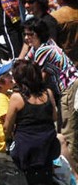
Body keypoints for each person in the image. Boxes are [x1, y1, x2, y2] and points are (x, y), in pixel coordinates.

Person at [20, 17, 78, 156]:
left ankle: (72, 172)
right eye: (25, 34)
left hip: (69, 87)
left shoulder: (45, 50)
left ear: (39, 34)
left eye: (30, 34)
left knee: (67, 131)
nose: (27, 38)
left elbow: (35, 76)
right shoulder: (38, 47)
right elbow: (23, 64)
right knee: (62, 127)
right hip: (66, 87)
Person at [5, 59, 61, 173]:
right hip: (48, 148)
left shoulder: (16, 98)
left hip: (25, 150)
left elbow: (7, 127)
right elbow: (54, 118)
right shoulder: (48, 93)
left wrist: (7, 139)